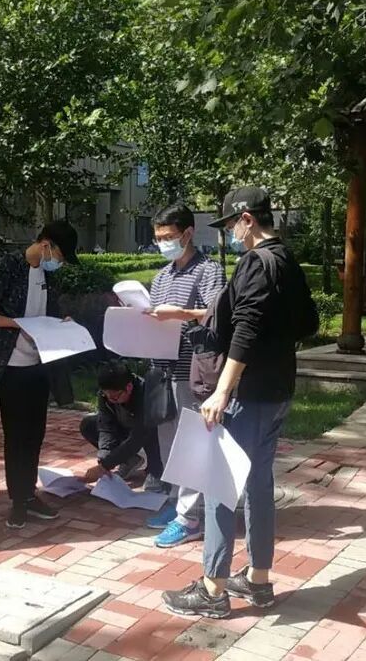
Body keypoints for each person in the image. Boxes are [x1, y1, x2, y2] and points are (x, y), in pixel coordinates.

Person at [162, 186, 317, 619]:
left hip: (246, 395)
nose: (230, 232)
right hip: (278, 389)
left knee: (219, 485)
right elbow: (308, 321)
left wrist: (222, 390)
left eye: (231, 224)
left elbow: (246, 329)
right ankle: (258, 579)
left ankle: (213, 590)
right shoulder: (286, 260)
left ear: (247, 219)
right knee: (259, 484)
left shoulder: (254, 262)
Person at [0, 220, 79, 530]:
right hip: (11, 363)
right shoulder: (9, 267)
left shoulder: (47, 274)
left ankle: (29, 494)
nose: (59, 263)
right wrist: (19, 324)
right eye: (59, 256)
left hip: (39, 362)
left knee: (35, 432)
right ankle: (18, 500)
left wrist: (63, 321)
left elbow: (51, 309)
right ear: (46, 245)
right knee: (16, 434)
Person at [143, 203, 226, 547]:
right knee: (169, 443)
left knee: (192, 443)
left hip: (192, 370)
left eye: (169, 237)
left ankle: (189, 518)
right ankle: (176, 500)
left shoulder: (209, 270)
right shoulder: (162, 276)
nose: (163, 243)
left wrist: (182, 313)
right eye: (158, 238)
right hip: (161, 370)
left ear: (188, 233)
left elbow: (218, 315)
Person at [79, 362, 164, 485]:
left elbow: (138, 437)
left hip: (148, 433)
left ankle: (155, 467)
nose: (110, 400)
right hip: (125, 427)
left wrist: (105, 466)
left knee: (156, 468)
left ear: (128, 387)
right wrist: (104, 457)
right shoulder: (106, 395)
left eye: (114, 397)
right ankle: (130, 460)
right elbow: (106, 426)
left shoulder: (146, 395)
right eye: (106, 395)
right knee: (88, 425)